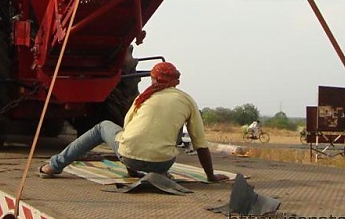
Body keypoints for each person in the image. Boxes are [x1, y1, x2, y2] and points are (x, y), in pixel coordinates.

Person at [39, 61, 229, 182]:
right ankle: (158, 174)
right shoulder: (187, 101)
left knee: (102, 127)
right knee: (174, 125)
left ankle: (53, 166)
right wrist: (210, 177)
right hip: (163, 164)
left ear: (153, 79)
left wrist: (132, 169)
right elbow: (200, 144)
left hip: (128, 157)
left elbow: (129, 133)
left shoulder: (142, 99)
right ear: (175, 82)